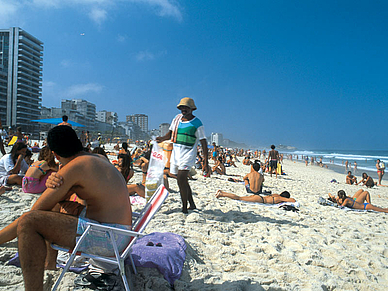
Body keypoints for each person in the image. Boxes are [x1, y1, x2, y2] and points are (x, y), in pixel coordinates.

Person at [0, 125, 132, 291]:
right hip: (123, 234)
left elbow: (34, 211)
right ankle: (49, 264)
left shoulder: (75, 167)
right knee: (55, 205)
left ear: (55, 155)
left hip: (109, 240)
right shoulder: (97, 158)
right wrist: (54, 183)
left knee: (29, 222)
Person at [156, 97, 209, 213]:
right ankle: (192, 204)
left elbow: (204, 142)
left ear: (191, 109)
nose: (183, 110)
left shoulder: (197, 123)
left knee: (180, 178)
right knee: (183, 180)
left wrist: (206, 162)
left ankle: (184, 208)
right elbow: (170, 134)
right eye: (182, 107)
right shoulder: (177, 119)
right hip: (176, 153)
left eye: (186, 107)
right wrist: (161, 139)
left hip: (188, 154)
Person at [215, 190, 296, 204]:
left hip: (258, 197)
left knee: (239, 197)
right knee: (239, 198)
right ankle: (222, 194)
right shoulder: (280, 198)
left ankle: (223, 192)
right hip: (260, 199)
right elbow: (293, 200)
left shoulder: (276, 195)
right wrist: (287, 199)